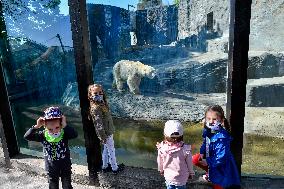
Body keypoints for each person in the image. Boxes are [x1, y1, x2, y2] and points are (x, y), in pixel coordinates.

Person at [24, 106, 78, 189]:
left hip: (65, 166)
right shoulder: (43, 135)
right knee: (53, 186)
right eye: (50, 129)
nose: (54, 131)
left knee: (67, 186)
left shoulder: (64, 134)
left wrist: (65, 125)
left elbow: (74, 134)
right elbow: (27, 136)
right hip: (51, 168)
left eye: (57, 127)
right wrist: (37, 126)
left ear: (61, 125)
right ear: (45, 126)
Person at [192, 105, 240, 189]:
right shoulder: (208, 130)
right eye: (208, 118)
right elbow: (205, 143)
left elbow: (221, 158)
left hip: (222, 167)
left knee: (219, 186)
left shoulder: (222, 138)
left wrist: (208, 162)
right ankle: (209, 173)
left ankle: (216, 177)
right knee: (195, 159)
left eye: (214, 119)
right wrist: (202, 153)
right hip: (211, 160)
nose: (211, 122)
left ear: (221, 121)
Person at [88, 84, 123, 174]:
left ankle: (105, 166)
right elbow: (98, 125)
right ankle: (115, 168)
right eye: (95, 93)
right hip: (106, 133)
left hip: (108, 131)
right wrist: (102, 137)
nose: (98, 95)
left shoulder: (102, 104)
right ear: (90, 95)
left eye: (100, 92)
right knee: (111, 150)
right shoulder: (95, 108)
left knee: (106, 149)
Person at [157, 120, 195, 189]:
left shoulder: (161, 148)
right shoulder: (185, 149)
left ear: (165, 135)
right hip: (181, 178)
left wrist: (161, 170)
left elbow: (160, 162)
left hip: (169, 177)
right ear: (181, 135)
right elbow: (189, 163)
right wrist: (191, 173)